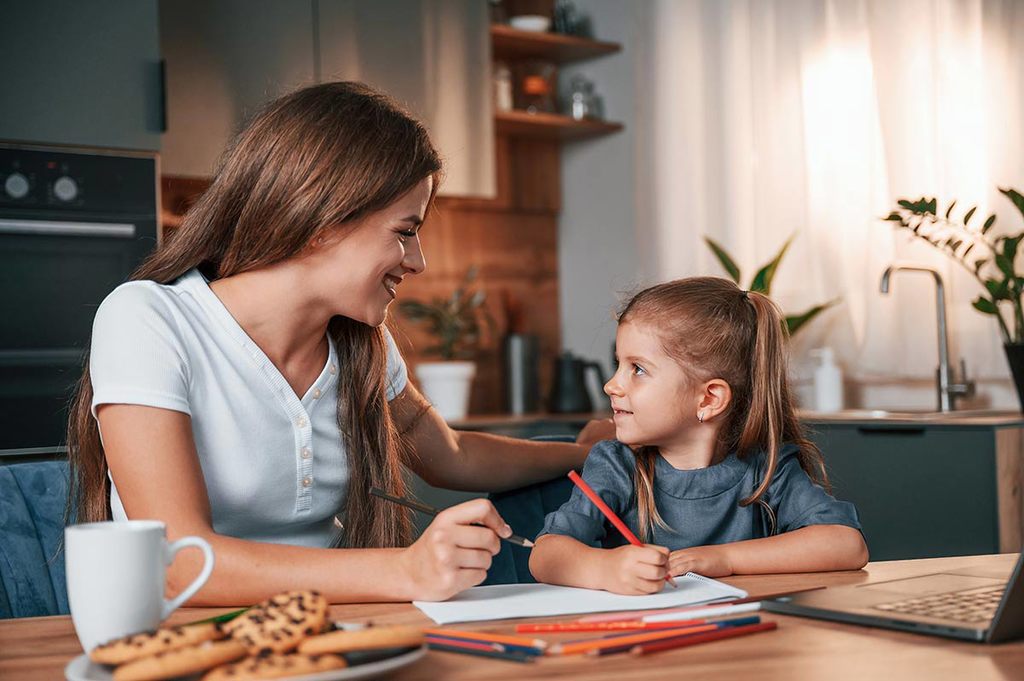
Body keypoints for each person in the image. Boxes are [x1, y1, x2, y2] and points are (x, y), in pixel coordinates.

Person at [66, 82, 596, 605]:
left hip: (325, 627)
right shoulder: (149, 319)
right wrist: (406, 570)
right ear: (323, 221)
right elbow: (180, 563)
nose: (418, 260)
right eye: (405, 231)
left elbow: (451, 455)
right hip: (186, 642)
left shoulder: (362, 343)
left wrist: (583, 454)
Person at [529, 277, 868, 595]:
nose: (611, 385)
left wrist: (724, 560)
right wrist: (604, 568)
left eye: (638, 369)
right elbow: (545, 556)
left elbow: (846, 544)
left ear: (708, 399)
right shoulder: (617, 464)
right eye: (619, 365)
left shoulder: (768, 470)